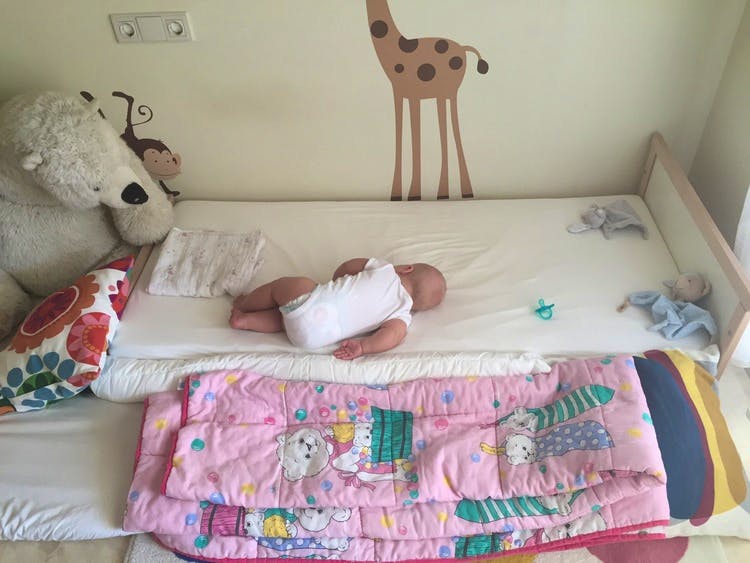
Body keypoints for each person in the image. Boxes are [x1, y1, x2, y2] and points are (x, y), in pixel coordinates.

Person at [230, 257, 446, 360]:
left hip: (309, 302)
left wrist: (337, 280)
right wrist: (363, 347)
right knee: (284, 319)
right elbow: (392, 336)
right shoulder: (402, 314)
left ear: (407, 269)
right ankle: (245, 322)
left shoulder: (386, 270)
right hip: (312, 338)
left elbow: (348, 266)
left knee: (282, 288)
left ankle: (245, 304)